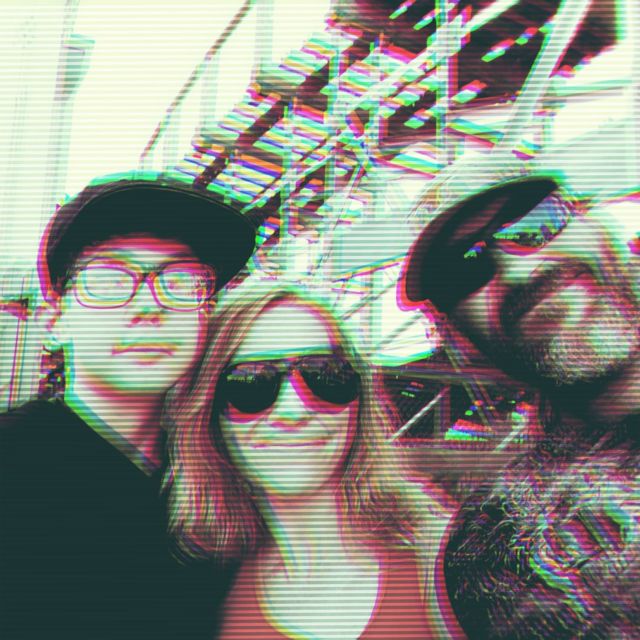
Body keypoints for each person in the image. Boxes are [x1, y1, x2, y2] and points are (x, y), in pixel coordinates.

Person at [0, 171, 256, 639]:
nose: (150, 307)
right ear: (55, 320)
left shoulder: (232, 478)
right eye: (109, 279)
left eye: (181, 280)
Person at [400, 169, 640, 639]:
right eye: (463, 269)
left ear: (601, 224)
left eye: (535, 221)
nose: (517, 270)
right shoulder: (505, 548)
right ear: (458, 338)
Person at [165, 284, 455, 639]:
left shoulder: (445, 558)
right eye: (251, 383)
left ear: (358, 402)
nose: (293, 410)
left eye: (325, 376)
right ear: (210, 417)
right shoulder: (208, 597)